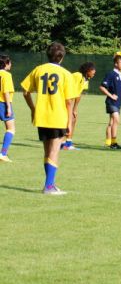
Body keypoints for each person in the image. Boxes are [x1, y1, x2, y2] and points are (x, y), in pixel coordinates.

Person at [21, 42, 76, 195]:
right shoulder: (66, 74)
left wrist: (33, 109)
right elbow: (69, 101)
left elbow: (25, 91)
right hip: (58, 116)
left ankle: (50, 184)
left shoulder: (39, 70)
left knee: (47, 152)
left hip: (42, 116)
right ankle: (49, 186)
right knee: (54, 151)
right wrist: (70, 122)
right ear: (62, 57)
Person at [62, 62, 96, 150]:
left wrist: (75, 109)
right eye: (92, 70)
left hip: (70, 101)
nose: (94, 72)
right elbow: (66, 83)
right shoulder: (77, 75)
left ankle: (68, 143)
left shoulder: (86, 80)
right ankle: (62, 143)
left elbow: (79, 94)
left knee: (73, 119)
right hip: (64, 100)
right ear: (87, 70)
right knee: (65, 121)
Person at [99, 53, 121, 149]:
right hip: (111, 102)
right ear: (116, 64)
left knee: (111, 122)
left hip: (118, 103)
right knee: (116, 119)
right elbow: (102, 87)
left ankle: (108, 142)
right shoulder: (111, 74)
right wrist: (111, 95)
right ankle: (114, 143)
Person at [0, 55, 15, 162]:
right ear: (6, 64)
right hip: (3, 103)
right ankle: (3, 154)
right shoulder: (6, 75)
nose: (11, 64)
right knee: (11, 129)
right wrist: (9, 107)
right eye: (10, 62)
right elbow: (5, 91)